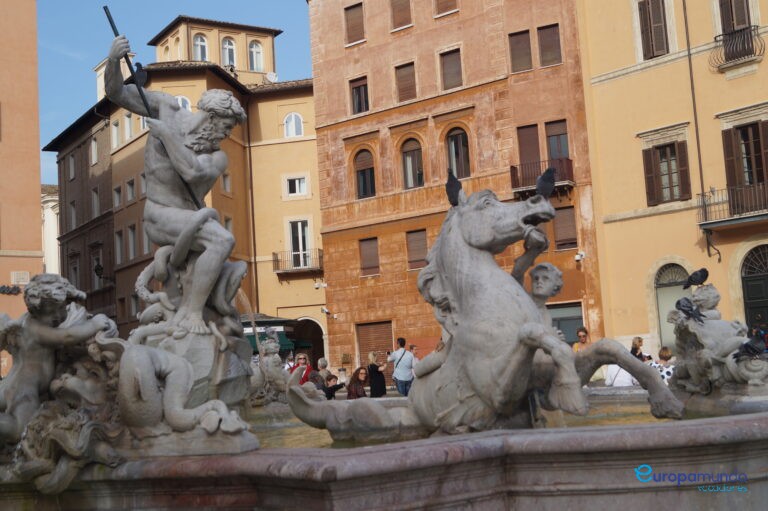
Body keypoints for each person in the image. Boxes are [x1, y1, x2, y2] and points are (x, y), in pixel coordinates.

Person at [105, 35, 247, 334]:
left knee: (221, 243)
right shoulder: (167, 108)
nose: (227, 133)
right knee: (222, 240)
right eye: (226, 125)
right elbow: (116, 93)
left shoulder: (216, 157)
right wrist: (115, 60)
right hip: (160, 213)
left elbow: (193, 174)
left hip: (189, 218)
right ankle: (191, 314)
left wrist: (166, 137)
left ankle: (198, 309)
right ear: (211, 117)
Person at [0, 274, 114, 444]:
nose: (59, 316)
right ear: (36, 311)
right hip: (24, 388)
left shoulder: (27, 322)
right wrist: (94, 325)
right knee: (20, 430)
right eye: (52, 313)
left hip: (16, 384)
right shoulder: (36, 328)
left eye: (62, 309)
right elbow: (66, 337)